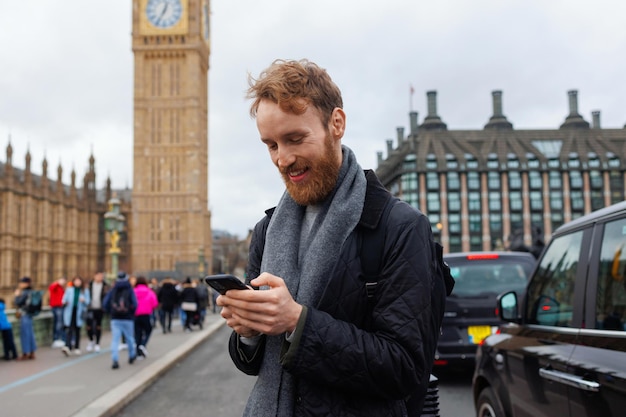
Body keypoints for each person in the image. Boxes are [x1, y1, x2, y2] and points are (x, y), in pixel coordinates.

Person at [217, 59, 446, 416]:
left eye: (295, 139)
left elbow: (404, 368)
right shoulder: (267, 230)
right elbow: (252, 363)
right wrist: (248, 331)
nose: (283, 158)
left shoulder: (399, 227)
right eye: (271, 145)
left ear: (336, 123)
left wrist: (296, 321)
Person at [103, 271, 137, 369]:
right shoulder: (130, 290)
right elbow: (135, 304)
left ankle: (115, 359)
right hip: (128, 318)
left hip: (115, 318)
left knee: (115, 340)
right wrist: (131, 313)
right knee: (129, 338)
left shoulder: (113, 289)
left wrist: (111, 312)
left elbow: (105, 303)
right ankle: (131, 356)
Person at [61, 276, 90, 356]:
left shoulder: (85, 290)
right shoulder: (69, 289)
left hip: (79, 312)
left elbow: (88, 302)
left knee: (77, 330)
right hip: (70, 311)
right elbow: (63, 299)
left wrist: (84, 300)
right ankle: (68, 346)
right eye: (76, 281)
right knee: (69, 329)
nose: (77, 282)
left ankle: (77, 347)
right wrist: (65, 302)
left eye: (79, 281)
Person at [133, 276, 158, 358]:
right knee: (148, 330)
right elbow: (154, 303)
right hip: (146, 314)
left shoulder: (133, 291)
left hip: (136, 315)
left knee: (137, 333)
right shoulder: (149, 292)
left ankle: (138, 352)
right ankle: (143, 344)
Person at [13, 277, 37, 360]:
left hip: (25, 315)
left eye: (21, 283)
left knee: (25, 334)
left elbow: (18, 302)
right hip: (30, 315)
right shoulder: (31, 292)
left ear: (26, 284)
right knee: (30, 333)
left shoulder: (25, 293)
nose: (20, 284)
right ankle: (32, 352)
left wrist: (16, 296)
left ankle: (25, 353)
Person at [86, 272, 108, 352]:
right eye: (98, 276)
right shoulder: (89, 285)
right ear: (94, 276)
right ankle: (91, 340)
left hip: (100, 309)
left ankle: (97, 343)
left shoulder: (105, 286)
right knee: (89, 326)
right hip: (90, 308)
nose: (100, 277)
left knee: (98, 326)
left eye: (101, 276)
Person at [48, 276, 67, 348]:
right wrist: (57, 283)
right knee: (58, 323)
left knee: (61, 323)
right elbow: (51, 288)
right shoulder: (55, 286)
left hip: (61, 306)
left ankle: (62, 339)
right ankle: (56, 339)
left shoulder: (61, 288)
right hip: (56, 307)